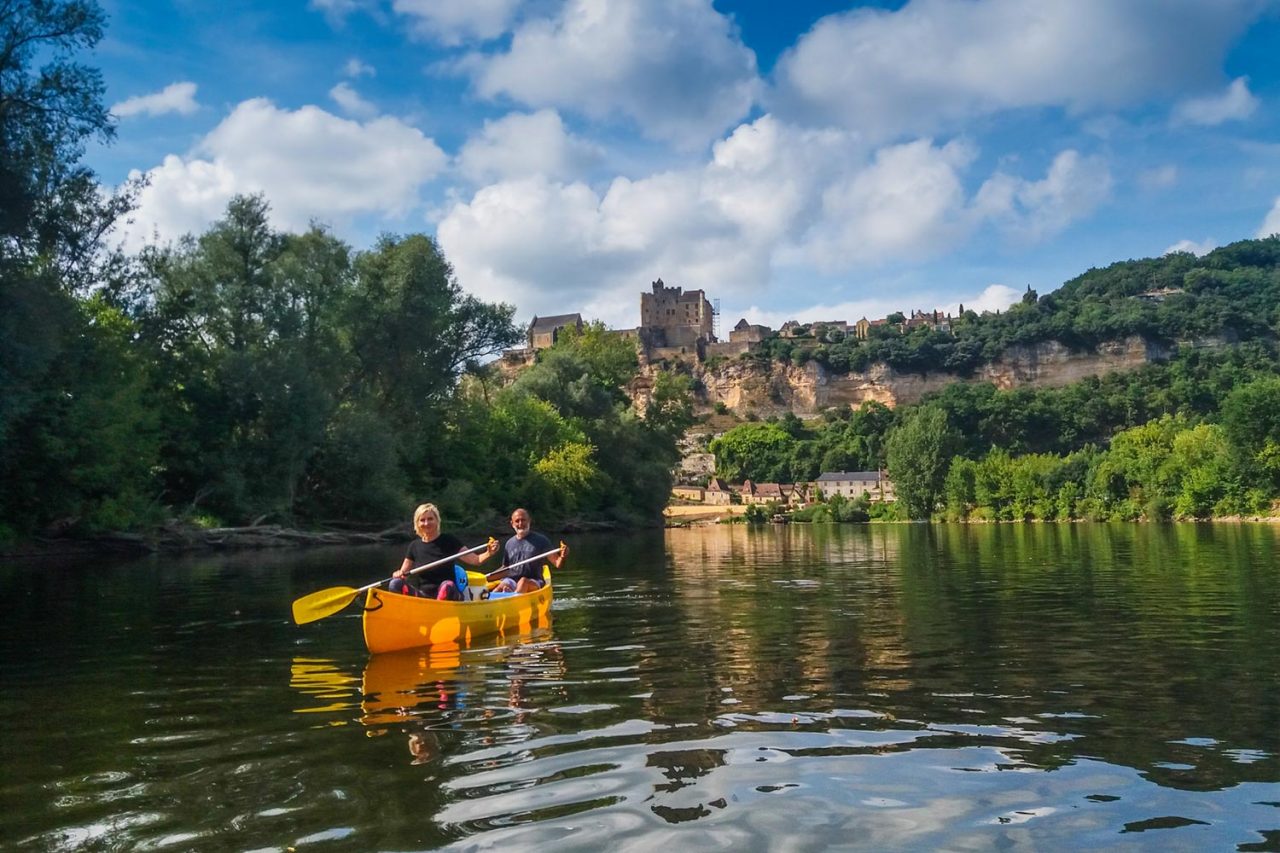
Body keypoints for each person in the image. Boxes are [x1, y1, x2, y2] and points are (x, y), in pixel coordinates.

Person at [389, 503, 498, 600]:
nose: (426, 523)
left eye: (430, 519)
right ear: (417, 523)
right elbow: (403, 574)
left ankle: (437, 611)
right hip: (425, 597)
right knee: (395, 584)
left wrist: (489, 553)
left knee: (447, 586)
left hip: (449, 594)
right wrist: (398, 574)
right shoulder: (414, 546)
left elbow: (476, 560)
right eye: (422, 520)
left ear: (437, 520)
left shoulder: (449, 541)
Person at [492, 508, 567, 595]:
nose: (520, 523)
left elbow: (558, 563)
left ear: (529, 521)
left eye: (523, 520)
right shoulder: (509, 543)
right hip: (512, 580)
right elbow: (505, 569)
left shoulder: (541, 540)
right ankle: (495, 600)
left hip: (534, 581)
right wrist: (485, 578)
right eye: (517, 521)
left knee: (523, 582)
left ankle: (514, 597)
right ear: (512, 524)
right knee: (500, 587)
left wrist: (563, 556)